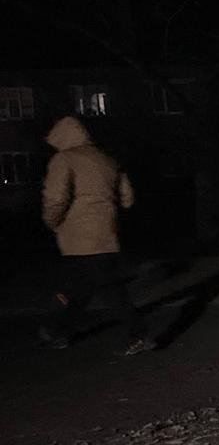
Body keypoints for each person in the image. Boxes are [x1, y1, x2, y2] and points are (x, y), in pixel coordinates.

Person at [39, 115, 152, 352]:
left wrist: (52, 222)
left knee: (100, 290)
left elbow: (56, 198)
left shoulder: (64, 159)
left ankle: (138, 334)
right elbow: (127, 199)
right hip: (107, 236)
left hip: (78, 239)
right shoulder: (107, 159)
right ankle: (57, 330)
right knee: (87, 287)